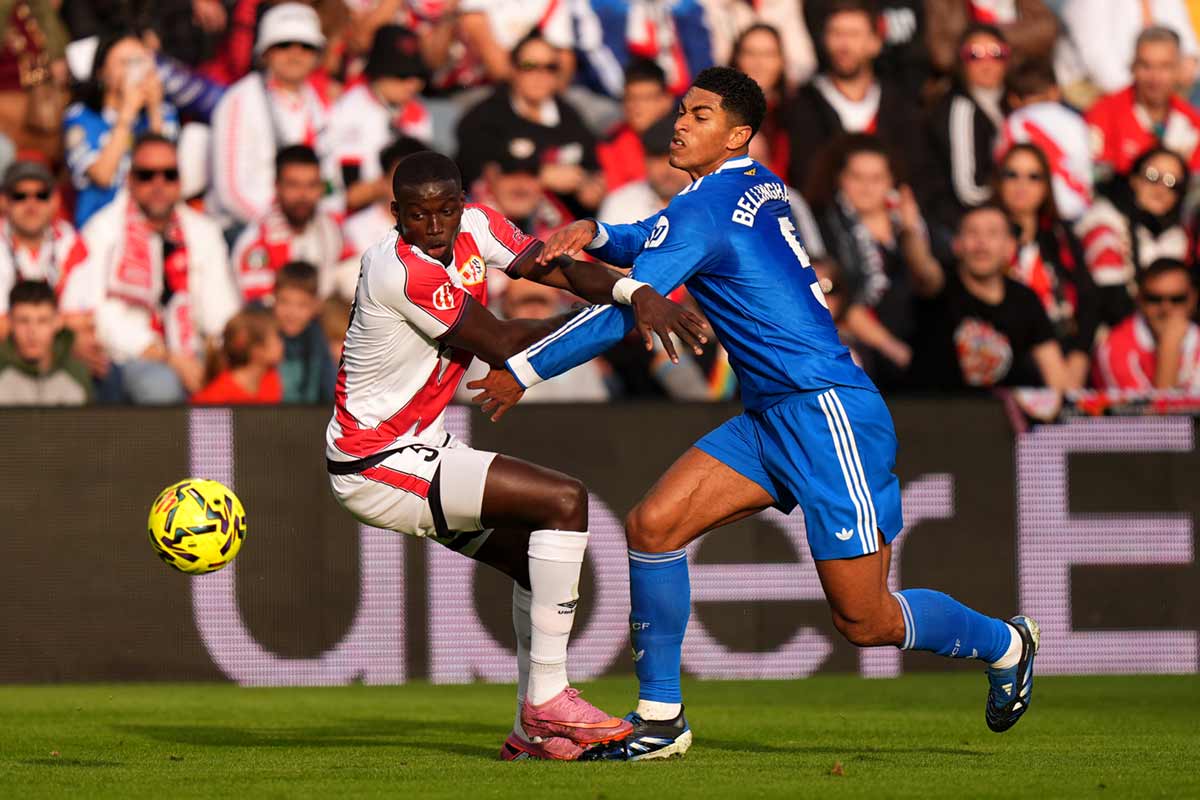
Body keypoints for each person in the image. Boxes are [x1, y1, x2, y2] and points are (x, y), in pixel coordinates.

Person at [472, 67, 1042, 761]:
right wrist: (597, 230)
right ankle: (661, 718)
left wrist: (520, 369)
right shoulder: (746, 187)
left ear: (738, 133)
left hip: (826, 414)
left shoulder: (707, 207)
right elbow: (653, 235)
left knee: (865, 620)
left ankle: (1006, 642)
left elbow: (628, 310)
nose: (679, 123)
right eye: (682, 111)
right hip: (773, 414)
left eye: (700, 115)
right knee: (653, 526)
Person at [325, 150, 701, 761]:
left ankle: (532, 732)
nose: (436, 225)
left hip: (418, 446)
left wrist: (635, 291)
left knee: (536, 558)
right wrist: (620, 320)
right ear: (395, 215)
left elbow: (558, 269)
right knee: (565, 501)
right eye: (419, 215)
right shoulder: (398, 269)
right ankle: (547, 700)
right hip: (374, 460)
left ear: (461, 202)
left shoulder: (478, 224)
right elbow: (499, 341)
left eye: (446, 210)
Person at [88, 134, 238, 404]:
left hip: (194, 348)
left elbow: (221, 309)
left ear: (180, 181)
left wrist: (219, 357)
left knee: (238, 376)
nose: (159, 185)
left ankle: (214, 449)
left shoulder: (203, 231)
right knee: (162, 388)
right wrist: (170, 358)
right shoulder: (104, 230)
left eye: (169, 175)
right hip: (130, 354)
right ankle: (171, 448)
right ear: (130, 180)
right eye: (147, 175)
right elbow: (102, 317)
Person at [810, 134, 943, 388]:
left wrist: (910, 232)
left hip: (917, 338)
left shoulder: (912, 225)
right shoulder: (825, 228)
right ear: (840, 179)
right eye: (857, 177)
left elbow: (930, 281)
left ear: (891, 180)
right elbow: (841, 300)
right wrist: (894, 350)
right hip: (863, 348)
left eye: (876, 178)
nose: (867, 187)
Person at [907, 203, 1070, 391]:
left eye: (992, 233)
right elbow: (921, 267)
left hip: (1004, 416)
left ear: (1010, 247)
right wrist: (911, 232)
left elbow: (1056, 376)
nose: (981, 243)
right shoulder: (940, 286)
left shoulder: (1025, 299)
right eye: (972, 233)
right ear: (957, 244)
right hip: (935, 413)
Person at [208, 3, 330, 228]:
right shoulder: (239, 99)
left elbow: (330, 182)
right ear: (265, 52)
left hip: (305, 225)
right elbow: (231, 193)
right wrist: (279, 228)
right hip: (243, 227)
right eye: (284, 45)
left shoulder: (318, 103)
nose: (295, 54)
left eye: (306, 46)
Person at [455, 33, 604, 218]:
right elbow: (474, 170)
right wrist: (541, 176)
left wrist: (590, 188)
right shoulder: (483, 117)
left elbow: (593, 167)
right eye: (529, 66)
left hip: (563, 223)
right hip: (503, 222)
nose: (540, 75)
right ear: (513, 69)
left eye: (550, 67)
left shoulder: (569, 117)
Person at [783, 0, 923, 192]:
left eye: (854, 34)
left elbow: (916, 171)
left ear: (875, 43)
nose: (844, 45)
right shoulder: (803, 104)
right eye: (836, 33)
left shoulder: (900, 104)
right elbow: (804, 176)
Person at [994, 143, 1100, 388]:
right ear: (999, 181)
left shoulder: (1062, 237)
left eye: (1034, 177)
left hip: (1067, 352)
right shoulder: (984, 235)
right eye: (1012, 175)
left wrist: (1079, 356)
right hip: (1013, 360)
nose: (1022, 185)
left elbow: (1089, 302)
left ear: (1046, 187)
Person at [64, 31, 179, 227]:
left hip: (148, 223)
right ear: (102, 72)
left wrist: (154, 111)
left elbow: (162, 172)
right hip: (98, 224)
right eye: (124, 63)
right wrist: (127, 114)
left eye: (140, 61)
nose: (134, 70)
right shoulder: (81, 116)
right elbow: (102, 176)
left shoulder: (163, 113)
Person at [1074, 146, 1190, 325]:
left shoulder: (1176, 236)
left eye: (1172, 183)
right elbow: (1111, 299)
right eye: (1152, 176)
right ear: (1134, 179)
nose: (1160, 189)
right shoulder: (1104, 220)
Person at [325, 25, 431, 213]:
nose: (413, 84)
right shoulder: (349, 109)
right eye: (402, 75)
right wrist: (388, 185)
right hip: (354, 218)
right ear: (378, 71)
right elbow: (350, 194)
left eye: (418, 75)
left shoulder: (417, 112)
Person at [232, 145, 354, 304]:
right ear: (277, 187)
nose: (303, 195)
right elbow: (262, 311)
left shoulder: (329, 227)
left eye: (311, 185)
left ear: (321, 188)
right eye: (293, 185)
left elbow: (353, 277)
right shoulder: (257, 243)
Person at [922, 24, 1010, 234]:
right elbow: (970, 192)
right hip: (961, 223)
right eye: (975, 55)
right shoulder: (960, 109)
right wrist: (1016, 194)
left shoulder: (1011, 103)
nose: (987, 64)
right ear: (961, 62)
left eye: (996, 53)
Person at [1086, 27, 1200, 185]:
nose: (1155, 77)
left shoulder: (1192, 122)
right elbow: (1097, 179)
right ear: (1133, 67)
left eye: (1165, 66)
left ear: (1178, 69)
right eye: (1146, 66)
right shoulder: (1104, 112)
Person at [997, 57, 1094, 223]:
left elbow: (1001, 167)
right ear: (1055, 91)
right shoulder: (1076, 121)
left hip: (1032, 212)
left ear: (1013, 100)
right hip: (1078, 209)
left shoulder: (1014, 123)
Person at [1091, 258, 1200, 391]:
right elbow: (1153, 411)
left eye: (1177, 299)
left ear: (1193, 299)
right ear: (1140, 299)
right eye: (1154, 299)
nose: (1165, 309)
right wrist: (1169, 347)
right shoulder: (1113, 347)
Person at [1062, 0, 1199, 96]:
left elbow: (1186, 41)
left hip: (1152, 87)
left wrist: (1189, 62)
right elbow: (1099, 63)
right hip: (1093, 89)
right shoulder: (1089, 4)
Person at [0, 280, 92, 406]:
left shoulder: (77, 374)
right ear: (10, 321)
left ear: (58, 321)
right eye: (23, 321)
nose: (32, 332)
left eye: (42, 321)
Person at [596, 59, 676, 193]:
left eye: (645, 98)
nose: (636, 107)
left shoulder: (687, 137)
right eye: (630, 98)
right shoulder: (611, 145)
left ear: (666, 100)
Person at [342, 136, 429, 261]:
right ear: (384, 180)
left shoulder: (437, 229)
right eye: (403, 180)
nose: (411, 189)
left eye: (419, 180)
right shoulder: (355, 230)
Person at [925, 0, 1057, 80]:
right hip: (965, 85)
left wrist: (987, 37)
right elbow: (942, 54)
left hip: (1019, 77)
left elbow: (1046, 30)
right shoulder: (943, 3)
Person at [598, 115, 693, 225]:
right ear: (645, 161)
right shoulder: (620, 203)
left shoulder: (710, 205)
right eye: (658, 160)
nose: (668, 170)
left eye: (676, 159)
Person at [733, 24, 793, 179]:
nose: (759, 63)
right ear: (737, 59)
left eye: (768, 54)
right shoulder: (718, 112)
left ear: (782, 61)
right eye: (750, 53)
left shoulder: (798, 111)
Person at [271, 260, 335, 404]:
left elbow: (329, 391)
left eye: (302, 305)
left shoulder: (319, 340)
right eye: (284, 302)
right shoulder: (266, 335)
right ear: (273, 299)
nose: (291, 313)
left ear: (315, 306)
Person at [192, 307, 284, 404]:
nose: (281, 344)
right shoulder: (216, 396)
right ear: (257, 351)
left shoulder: (271, 378)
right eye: (276, 339)